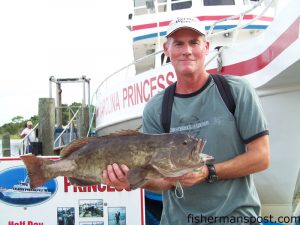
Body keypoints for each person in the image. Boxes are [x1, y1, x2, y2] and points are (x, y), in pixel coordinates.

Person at [102, 17, 270, 225]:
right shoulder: (156, 107)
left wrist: (208, 172)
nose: (187, 50)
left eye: (194, 42)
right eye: (179, 43)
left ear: (206, 47)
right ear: (167, 49)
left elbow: (261, 157)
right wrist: (127, 181)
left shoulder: (237, 91)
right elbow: (161, 181)